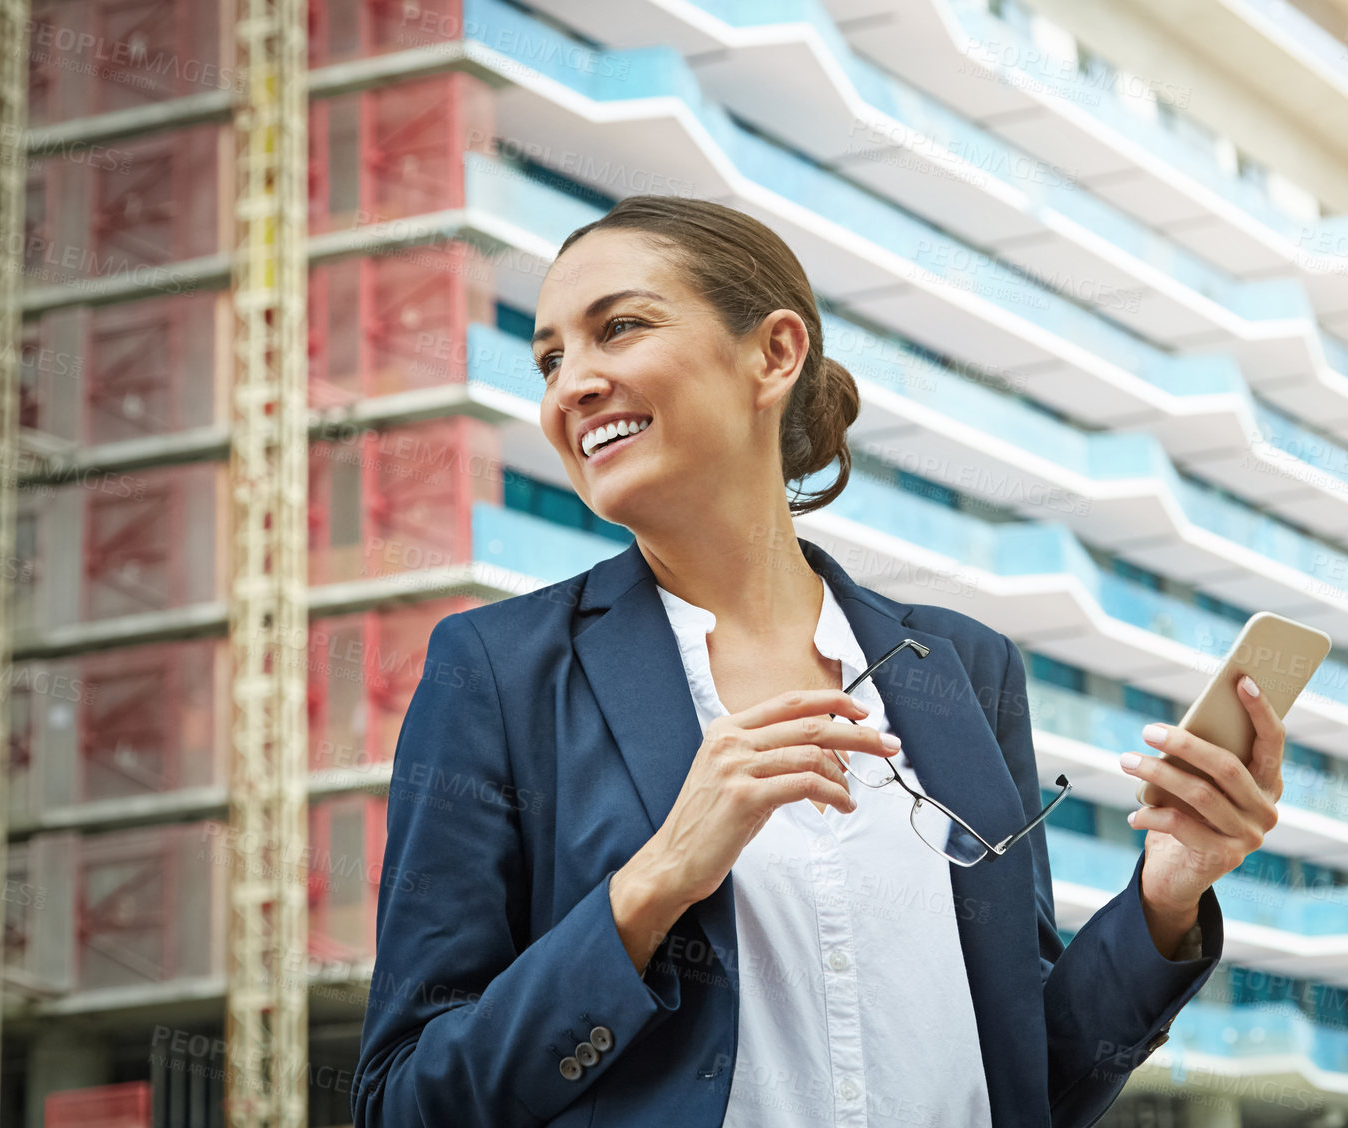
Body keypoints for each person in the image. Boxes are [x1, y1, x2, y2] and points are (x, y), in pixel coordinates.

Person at [350, 195, 1287, 1128]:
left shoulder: (961, 666)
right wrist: (653, 883)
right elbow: (404, 1101)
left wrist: (1165, 897)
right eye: (551, 358)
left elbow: (1025, 1079)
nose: (570, 386)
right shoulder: (498, 674)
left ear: (774, 353)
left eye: (619, 329)